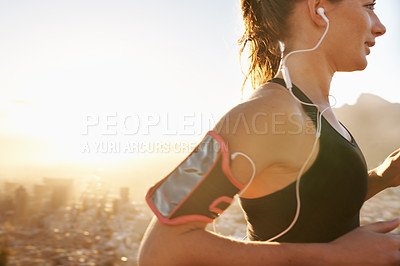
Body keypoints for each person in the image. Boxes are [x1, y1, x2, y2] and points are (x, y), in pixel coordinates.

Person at [138, 0, 400, 265]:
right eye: (369, 6)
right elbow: (159, 249)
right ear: (319, 8)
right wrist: (336, 256)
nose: (380, 27)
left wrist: (382, 177)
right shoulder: (264, 114)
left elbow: (309, 203)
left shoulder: (316, 109)